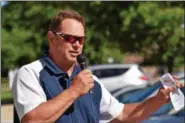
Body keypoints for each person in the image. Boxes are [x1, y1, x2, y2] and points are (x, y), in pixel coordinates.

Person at [12, 10, 183, 123]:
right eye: (70, 38)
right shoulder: (30, 73)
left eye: (81, 40)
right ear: (51, 38)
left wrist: (158, 100)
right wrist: (74, 91)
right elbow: (32, 120)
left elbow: (123, 114)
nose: (77, 45)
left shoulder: (89, 80)